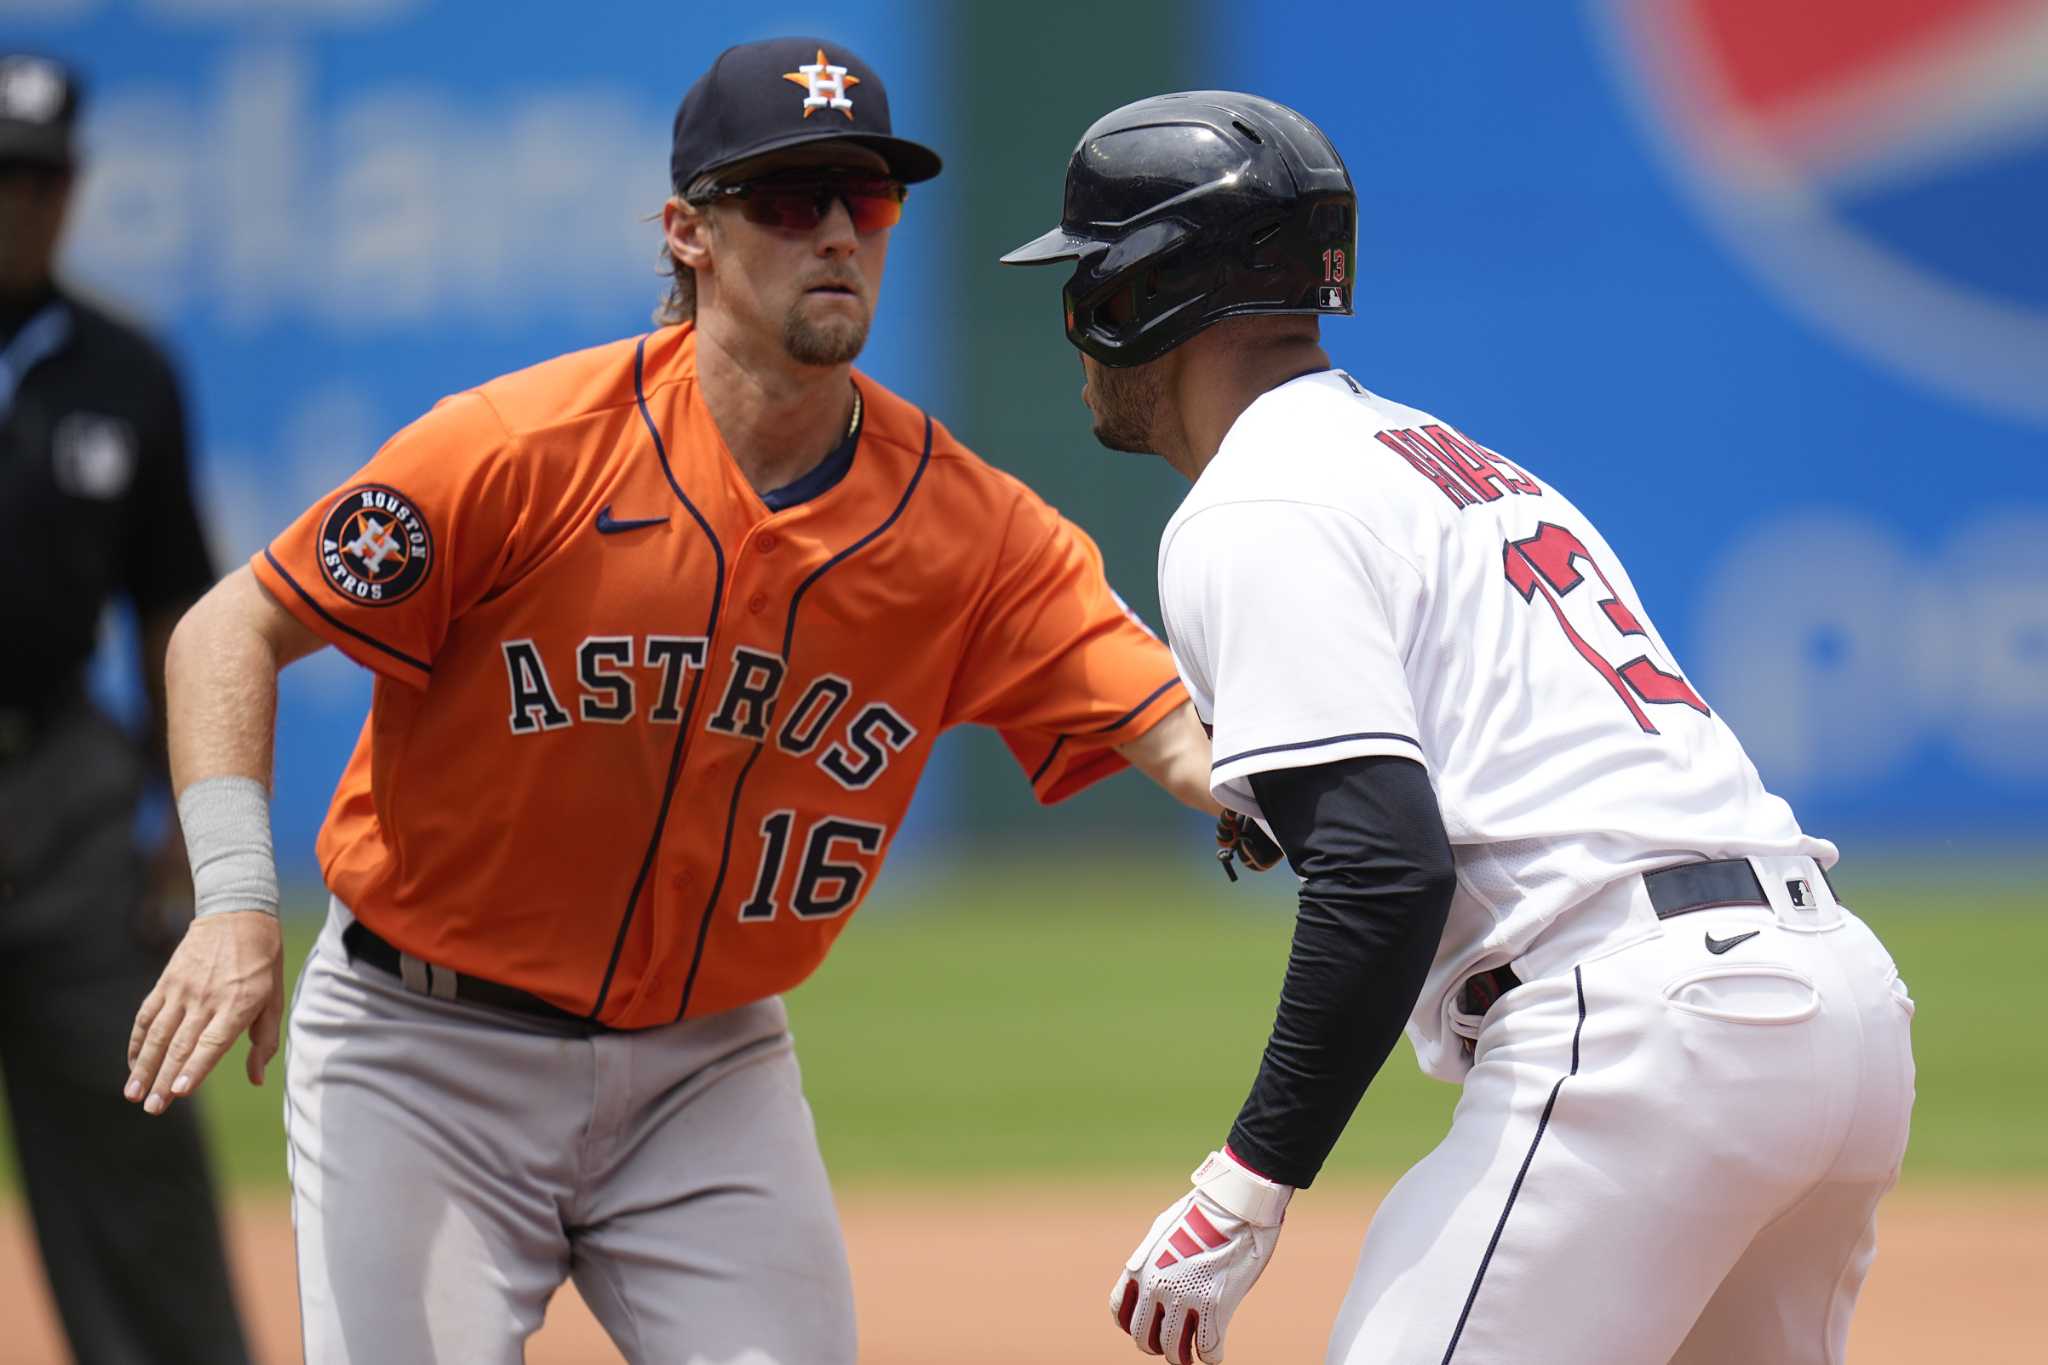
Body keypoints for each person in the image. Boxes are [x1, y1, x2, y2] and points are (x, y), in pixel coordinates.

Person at [120, 36, 1215, 1364]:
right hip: (425, 1054)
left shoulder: (970, 532)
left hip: (706, 1075)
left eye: (864, 199)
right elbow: (228, 627)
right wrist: (237, 902)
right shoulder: (520, 452)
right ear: (687, 233)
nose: (833, 233)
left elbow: (1180, 732)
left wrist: (1339, 797)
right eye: (786, 199)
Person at [1004, 90, 1916, 1365]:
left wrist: (1246, 1184)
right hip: (1838, 1009)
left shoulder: (1250, 503)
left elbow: (1382, 872)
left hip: (1643, 1034)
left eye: (1088, 280)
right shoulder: (1447, 459)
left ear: (1141, 291)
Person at [0, 52, 253, 1365]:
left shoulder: (124, 370)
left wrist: (181, 826)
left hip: (58, 786)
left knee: (133, 1121)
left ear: (74, 187)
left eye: (38, 177)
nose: (17, 202)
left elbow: (179, 615)